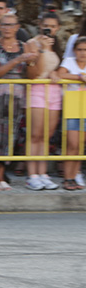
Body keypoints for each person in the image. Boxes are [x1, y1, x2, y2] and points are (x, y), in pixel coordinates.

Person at [0, 12, 31, 191]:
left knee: (10, 135)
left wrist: (35, 61)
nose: (7, 28)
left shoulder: (24, 45)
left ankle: (2, 173)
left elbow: (31, 74)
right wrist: (18, 60)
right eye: (4, 24)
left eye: (11, 24)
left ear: (17, 27)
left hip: (18, 95)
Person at [23, 12, 63, 190]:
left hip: (54, 92)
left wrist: (56, 73)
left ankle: (43, 173)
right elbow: (33, 73)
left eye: (53, 26)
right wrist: (41, 49)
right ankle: (32, 175)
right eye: (46, 26)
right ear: (40, 25)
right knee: (35, 135)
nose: (50, 29)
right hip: (37, 90)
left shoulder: (58, 45)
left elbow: (58, 67)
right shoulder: (32, 43)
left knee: (46, 136)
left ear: (58, 28)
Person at [57, 36, 86, 190]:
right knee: (72, 144)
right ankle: (67, 178)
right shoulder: (69, 61)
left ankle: (74, 177)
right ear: (74, 50)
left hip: (85, 107)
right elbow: (60, 74)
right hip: (72, 105)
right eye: (80, 49)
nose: (82, 53)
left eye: (85, 50)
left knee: (80, 145)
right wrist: (79, 77)